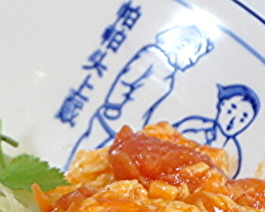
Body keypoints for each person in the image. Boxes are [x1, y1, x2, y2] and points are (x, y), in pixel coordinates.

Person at [69, 24, 215, 160]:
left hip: (128, 132)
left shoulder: (169, 75)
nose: (192, 60)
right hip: (112, 119)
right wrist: (113, 105)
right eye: (194, 54)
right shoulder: (152, 55)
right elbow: (126, 79)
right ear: (182, 43)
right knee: (89, 153)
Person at [174, 83, 261, 176]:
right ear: (221, 105)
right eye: (232, 109)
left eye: (243, 117)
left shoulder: (233, 157)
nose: (233, 120)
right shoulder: (193, 126)